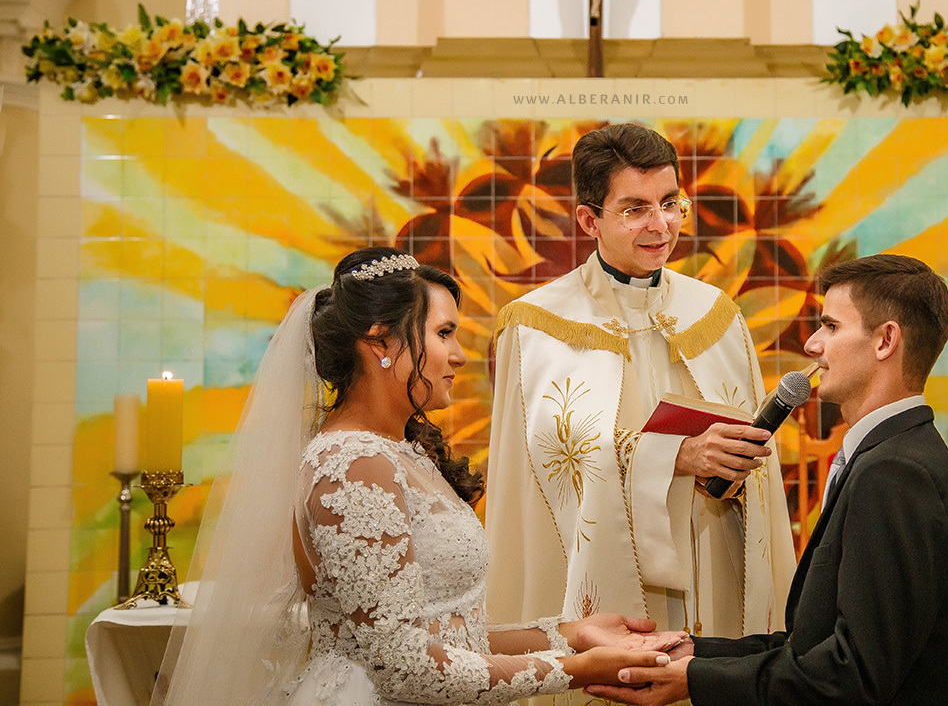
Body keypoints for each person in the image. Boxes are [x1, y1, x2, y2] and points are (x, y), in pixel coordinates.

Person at [153, 246, 682, 706]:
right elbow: (403, 664)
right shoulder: (353, 466)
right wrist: (577, 670)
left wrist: (569, 634)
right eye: (444, 333)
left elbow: (444, 633)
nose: (458, 355)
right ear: (380, 343)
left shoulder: (400, 451)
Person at [588, 253, 948, 706]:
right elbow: (813, 645)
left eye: (830, 326)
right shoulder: (887, 456)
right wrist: (694, 652)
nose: (812, 345)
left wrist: (696, 682)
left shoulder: (895, 473)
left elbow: (855, 675)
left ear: (886, 340)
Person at [485, 123, 796, 677]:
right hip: (603, 593)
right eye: (634, 209)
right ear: (589, 220)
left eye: (670, 203)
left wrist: (734, 460)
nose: (661, 225)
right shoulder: (536, 325)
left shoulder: (717, 315)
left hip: (711, 560)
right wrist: (675, 457)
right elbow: (543, 464)